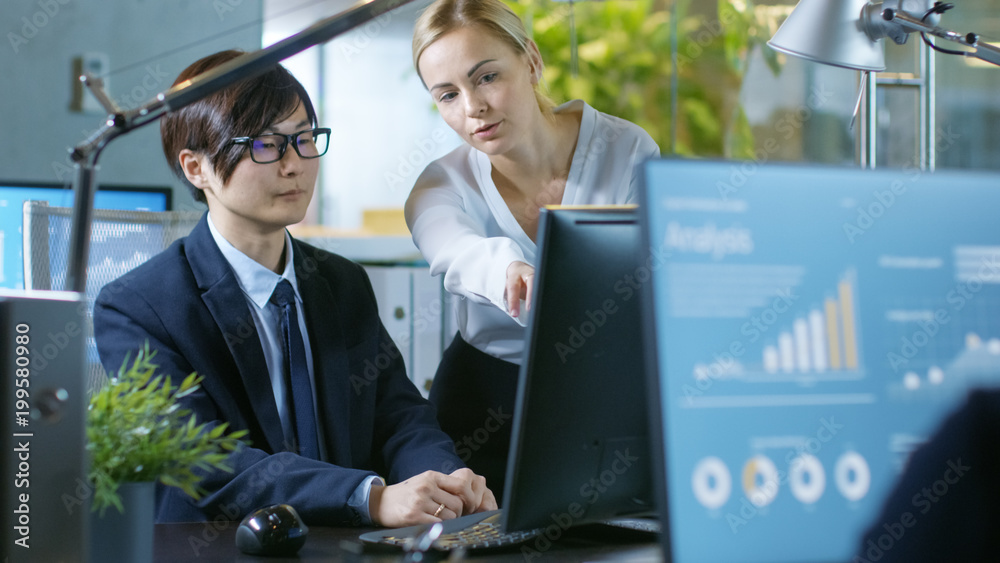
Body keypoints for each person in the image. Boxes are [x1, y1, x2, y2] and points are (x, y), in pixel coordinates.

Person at [93, 49, 496, 527]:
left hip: (346, 543)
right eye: (266, 145)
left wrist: (445, 481)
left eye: (305, 139)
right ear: (195, 167)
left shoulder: (342, 282)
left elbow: (398, 414)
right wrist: (369, 497)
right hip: (219, 547)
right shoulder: (138, 307)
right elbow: (201, 459)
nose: (295, 165)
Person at [405, 0, 661, 500]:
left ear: (532, 60)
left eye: (486, 77)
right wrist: (508, 267)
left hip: (603, 386)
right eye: (447, 95)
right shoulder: (438, 185)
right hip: (485, 400)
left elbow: (645, 275)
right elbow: (452, 249)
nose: (472, 107)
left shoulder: (625, 148)